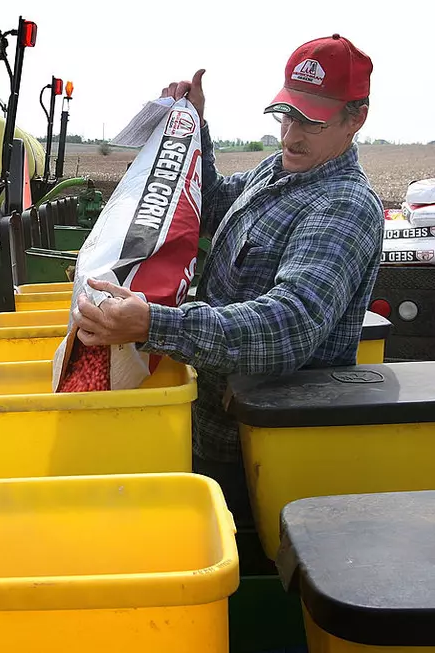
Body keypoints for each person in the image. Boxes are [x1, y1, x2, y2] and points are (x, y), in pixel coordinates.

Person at [71, 34, 384, 524]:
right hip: (213, 422)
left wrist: (155, 324)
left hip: (267, 449)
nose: (291, 135)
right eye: (287, 114)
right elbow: (213, 204)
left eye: (313, 121)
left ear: (355, 119)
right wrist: (197, 126)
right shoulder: (276, 171)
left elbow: (289, 325)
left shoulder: (342, 206)